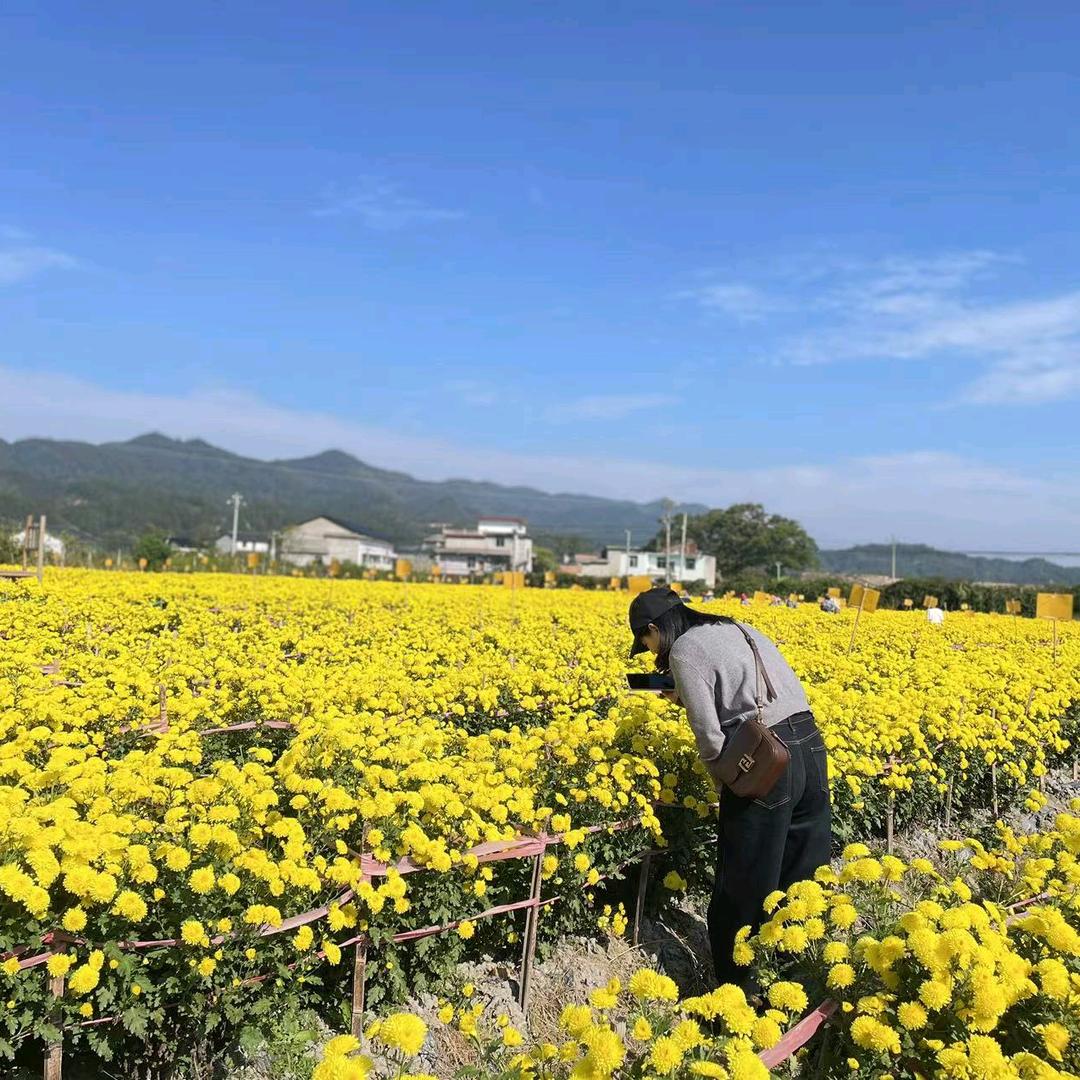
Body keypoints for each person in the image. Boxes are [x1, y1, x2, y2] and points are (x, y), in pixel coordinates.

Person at [627, 587, 831, 988]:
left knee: (743, 884)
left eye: (646, 642)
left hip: (767, 756)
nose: (651, 654)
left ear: (654, 628)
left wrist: (726, 784)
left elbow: (710, 736)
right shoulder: (737, 626)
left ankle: (738, 993)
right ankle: (799, 980)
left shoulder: (684, 651)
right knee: (801, 871)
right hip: (809, 743)